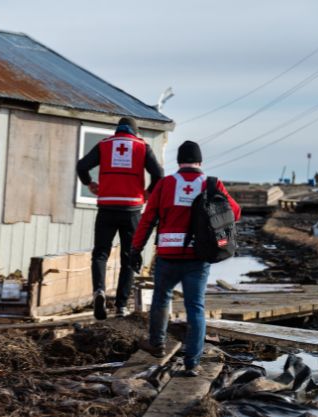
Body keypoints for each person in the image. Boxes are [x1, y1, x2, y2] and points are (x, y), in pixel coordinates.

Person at [129, 141, 241, 376]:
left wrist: (135, 249)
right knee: (195, 308)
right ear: (200, 161)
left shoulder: (165, 184)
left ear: (179, 161)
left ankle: (157, 344)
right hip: (197, 257)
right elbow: (235, 212)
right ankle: (192, 363)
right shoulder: (211, 184)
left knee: (161, 300)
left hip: (168, 255)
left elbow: (148, 219)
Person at [76, 117, 164, 319]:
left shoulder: (105, 145)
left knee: (100, 253)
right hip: (131, 208)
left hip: (106, 206)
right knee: (129, 256)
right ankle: (121, 306)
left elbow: (82, 166)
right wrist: (149, 192)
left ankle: (99, 290)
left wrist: (89, 183)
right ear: (135, 131)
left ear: (118, 130)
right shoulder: (142, 147)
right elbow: (159, 173)